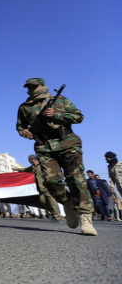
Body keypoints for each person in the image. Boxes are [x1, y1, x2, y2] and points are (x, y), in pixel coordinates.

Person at [16, 77, 96, 235]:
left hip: (68, 144)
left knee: (77, 180)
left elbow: (78, 117)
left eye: (32, 86)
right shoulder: (24, 107)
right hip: (44, 148)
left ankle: (85, 217)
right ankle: (67, 203)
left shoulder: (59, 100)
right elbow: (20, 125)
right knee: (50, 181)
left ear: (41, 85)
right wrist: (23, 132)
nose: (29, 89)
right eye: (28, 87)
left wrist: (57, 114)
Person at [14, 155, 61, 222]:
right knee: (42, 201)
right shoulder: (33, 167)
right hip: (40, 187)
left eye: (29, 160)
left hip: (47, 186)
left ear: (31, 159)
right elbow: (25, 170)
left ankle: (56, 217)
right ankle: (52, 212)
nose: (29, 161)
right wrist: (17, 169)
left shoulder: (42, 164)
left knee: (52, 201)